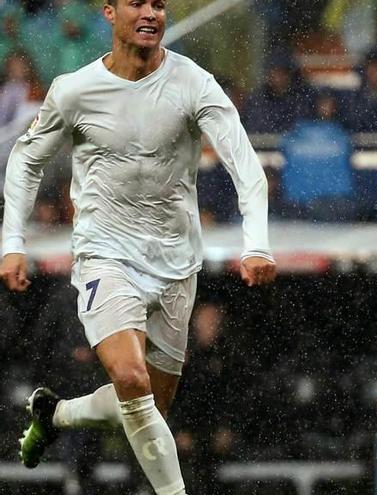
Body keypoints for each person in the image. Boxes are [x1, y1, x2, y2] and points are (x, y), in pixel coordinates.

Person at [0, 1, 277, 494]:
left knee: (147, 406)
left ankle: (56, 413)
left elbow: (245, 166)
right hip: (105, 255)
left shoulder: (193, 83)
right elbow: (25, 162)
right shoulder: (75, 90)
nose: (150, 12)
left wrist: (256, 244)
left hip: (175, 265)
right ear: (108, 12)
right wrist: (12, 241)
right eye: (137, 2)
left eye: (159, 3)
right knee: (131, 380)